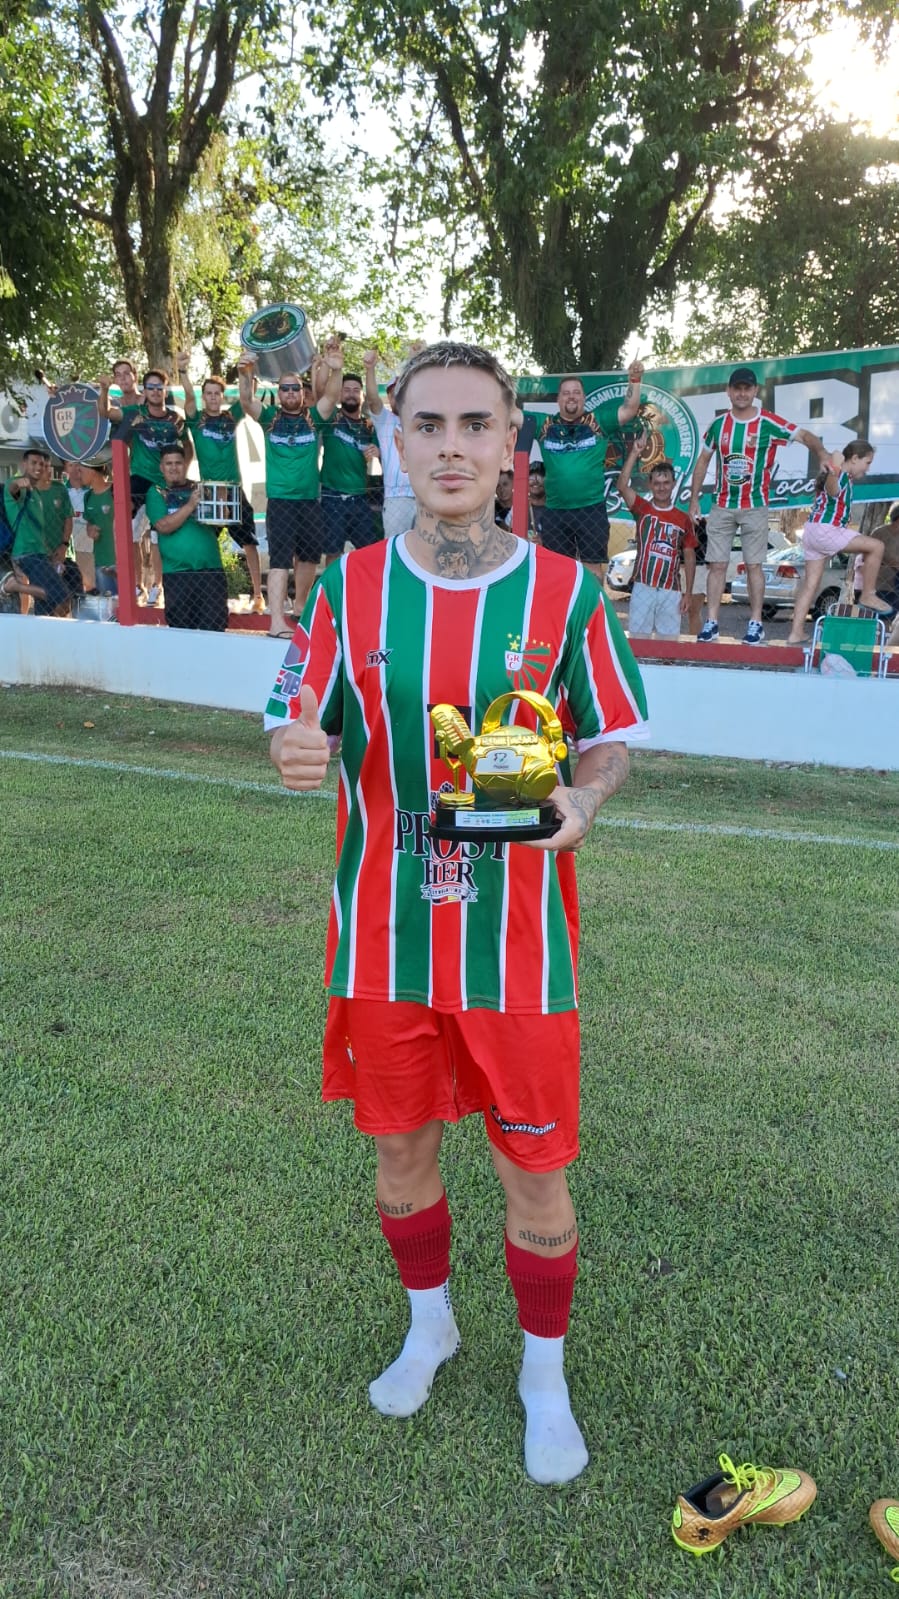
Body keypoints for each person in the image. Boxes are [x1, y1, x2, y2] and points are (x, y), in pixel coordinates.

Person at [264, 341, 648, 1486]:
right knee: (399, 1151)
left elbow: (606, 739)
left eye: (474, 425)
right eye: (426, 425)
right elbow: (294, 708)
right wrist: (291, 744)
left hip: (517, 950)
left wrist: (582, 797)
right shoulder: (347, 587)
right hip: (383, 940)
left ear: (509, 444)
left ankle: (543, 1376)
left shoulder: (566, 591)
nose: (450, 446)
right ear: (394, 440)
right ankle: (428, 1324)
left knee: (536, 1170)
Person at [688, 365, 830, 644]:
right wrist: (694, 499)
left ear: (755, 391)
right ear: (728, 392)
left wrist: (822, 453)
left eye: (747, 388)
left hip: (755, 505)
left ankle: (756, 623)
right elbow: (703, 461)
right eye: (737, 388)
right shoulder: (719, 425)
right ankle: (712, 622)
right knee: (717, 564)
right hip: (722, 505)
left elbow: (805, 436)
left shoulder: (767, 422)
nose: (742, 393)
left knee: (754, 565)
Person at [238, 343, 343, 638]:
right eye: (284, 389)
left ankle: (299, 608)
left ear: (301, 391)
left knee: (309, 558)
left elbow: (331, 397)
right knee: (280, 561)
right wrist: (245, 373)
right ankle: (276, 622)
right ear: (279, 392)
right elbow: (246, 401)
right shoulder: (270, 418)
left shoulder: (313, 417)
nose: (290, 393)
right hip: (281, 501)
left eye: (295, 388)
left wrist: (336, 369)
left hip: (309, 501)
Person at [536, 360, 645, 580]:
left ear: (584, 398)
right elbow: (509, 414)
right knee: (558, 573)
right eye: (566, 393)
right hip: (556, 511)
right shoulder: (544, 424)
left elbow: (629, 409)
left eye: (576, 392)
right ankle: (565, 605)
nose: (571, 397)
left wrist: (635, 379)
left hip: (591, 509)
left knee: (593, 572)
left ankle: (595, 604)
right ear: (558, 399)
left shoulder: (598, 420)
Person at [176, 356, 265, 613]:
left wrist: (247, 371)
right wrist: (183, 370)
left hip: (234, 490)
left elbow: (248, 397)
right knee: (205, 544)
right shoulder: (196, 419)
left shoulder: (230, 417)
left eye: (217, 393)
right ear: (204, 396)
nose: (213, 397)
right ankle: (207, 594)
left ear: (222, 397)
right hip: (209, 492)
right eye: (209, 393)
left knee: (249, 543)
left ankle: (258, 595)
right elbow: (188, 397)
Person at [785, 442, 890, 643]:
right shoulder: (839, 474)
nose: (867, 469)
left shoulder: (843, 476)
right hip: (827, 530)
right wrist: (834, 467)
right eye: (867, 462)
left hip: (812, 531)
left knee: (810, 584)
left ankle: (795, 633)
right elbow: (832, 489)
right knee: (877, 546)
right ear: (855, 458)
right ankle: (868, 594)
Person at [616, 438, 697, 638]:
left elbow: (689, 556)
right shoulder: (642, 508)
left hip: (671, 589)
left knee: (668, 642)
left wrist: (688, 593)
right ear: (650, 485)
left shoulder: (683, 519)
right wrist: (635, 452)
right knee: (638, 639)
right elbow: (622, 486)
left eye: (666, 483)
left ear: (673, 484)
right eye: (657, 483)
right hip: (643, 585)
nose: (662, 488)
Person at [144, 443, 227, 631]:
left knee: (215, 631)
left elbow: (220, 521)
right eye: (169, 463)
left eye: (178, 463)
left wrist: (222, 506)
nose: (174, 467)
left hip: (210, 571)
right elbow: (163, 526)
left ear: (185, 465)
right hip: (177, 574)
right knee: (181, 632)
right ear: (161, 467)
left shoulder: (200, 488)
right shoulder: (156, 492)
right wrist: (190, 506)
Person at [318, 370, 381, 562]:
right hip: (332, 496)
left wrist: (377, 451)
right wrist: (327, 367)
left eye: (356, 390)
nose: (351, 394)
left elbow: (380, 452)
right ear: (339, 395)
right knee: (333, 553)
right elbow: (320, 391)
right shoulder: (331, 418)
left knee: (371, 552)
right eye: (346, 390)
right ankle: (334, 583)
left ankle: (363, 583)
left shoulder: (369, 426)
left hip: (359, 497)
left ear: (362, 395)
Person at [1, 446, 70, 615]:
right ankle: (15, 586)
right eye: (34, 463)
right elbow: (12, 489)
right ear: (24, 464)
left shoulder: (36, 493)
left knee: (46, 605)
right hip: (26, 552)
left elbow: (38, 529)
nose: (38, 467)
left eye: (42, 464)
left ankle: (42, 627)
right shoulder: (15, 483)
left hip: (39, 553)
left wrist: (50, 553)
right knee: (61, 596)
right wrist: (18, 483)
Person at [362, 354, 417, 538]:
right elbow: (372, 399)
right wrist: (370, 368)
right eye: (394, 394)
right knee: (396, 548)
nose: (399, 397)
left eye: (403, 392)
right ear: (389, 397)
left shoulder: (424, 420)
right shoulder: (385, 420)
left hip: (425, 495)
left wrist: (417, 358)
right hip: (396, 498)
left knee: (426, 549)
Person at [81, 460, 117, 594]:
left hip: (119, 561)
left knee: (124, 601)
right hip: (100, 560)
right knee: (107, 602)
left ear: (92, 471)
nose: (79, 474)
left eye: (81, 471)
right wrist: (90, 529)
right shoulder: (88, 496)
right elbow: (89, 522)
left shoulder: (115, 491)